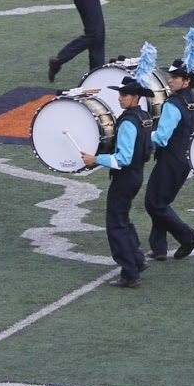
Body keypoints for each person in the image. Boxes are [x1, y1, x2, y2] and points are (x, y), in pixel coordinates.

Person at [81, 77, 154, 287]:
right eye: (120, 95)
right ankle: (137, 260)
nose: (120, 99)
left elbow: (124, 158)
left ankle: (130, 273)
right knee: (122, 219)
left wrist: (96, 159)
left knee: (115, 224)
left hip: (126, 177)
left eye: (125, 95)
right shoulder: (144, 116)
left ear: (135, 97)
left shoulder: (129, 121)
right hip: (137, 174)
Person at [144, 33, 194, 261]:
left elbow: (162, 137)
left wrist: (143, 137)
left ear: (186, 81)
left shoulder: (173, 104)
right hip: (187, 158)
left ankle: (188, 236)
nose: (170, 80)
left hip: (170, 158)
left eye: (175, 77)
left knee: (153, 202)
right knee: (161, 201)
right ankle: (159, 248)